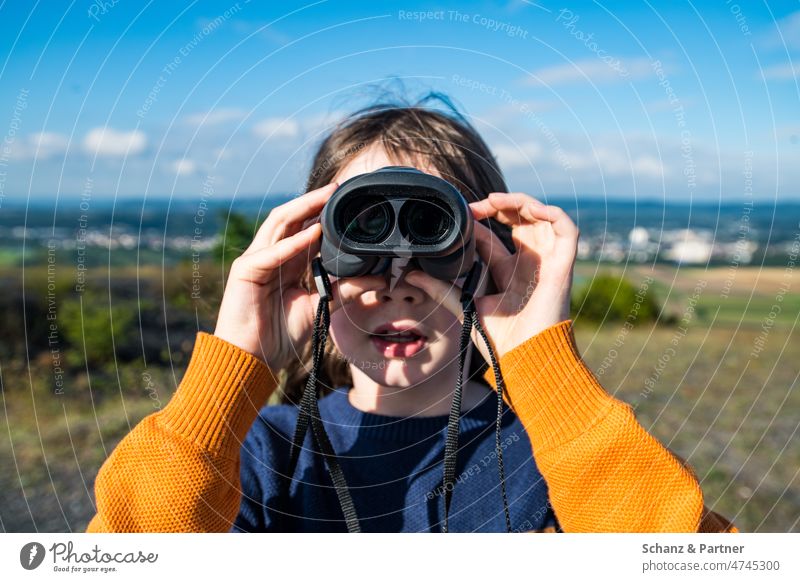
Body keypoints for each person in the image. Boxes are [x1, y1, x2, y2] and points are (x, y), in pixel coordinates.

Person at [86, 94, 738, 533]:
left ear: (484, 258)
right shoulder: (256, 457)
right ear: (311, 258)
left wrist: (544, 371)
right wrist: (233, 370)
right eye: (362, 234)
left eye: (430, 233)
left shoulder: (564, 458)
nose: (397, 281)